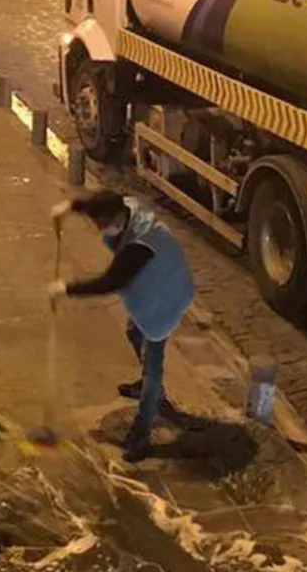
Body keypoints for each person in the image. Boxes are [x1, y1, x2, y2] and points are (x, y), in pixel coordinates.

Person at [48, 190, 195, 462]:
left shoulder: (142, 243)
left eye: (103, 223)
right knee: (132, 330)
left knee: (154, 362)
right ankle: (146, 385)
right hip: (152, 283)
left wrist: (66, 288)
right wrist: (69, 206)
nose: (101, 229)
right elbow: (96, 202)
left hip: (165, 294)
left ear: (116, 216)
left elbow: (110, 282)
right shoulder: (124, 207)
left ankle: (141, 434)